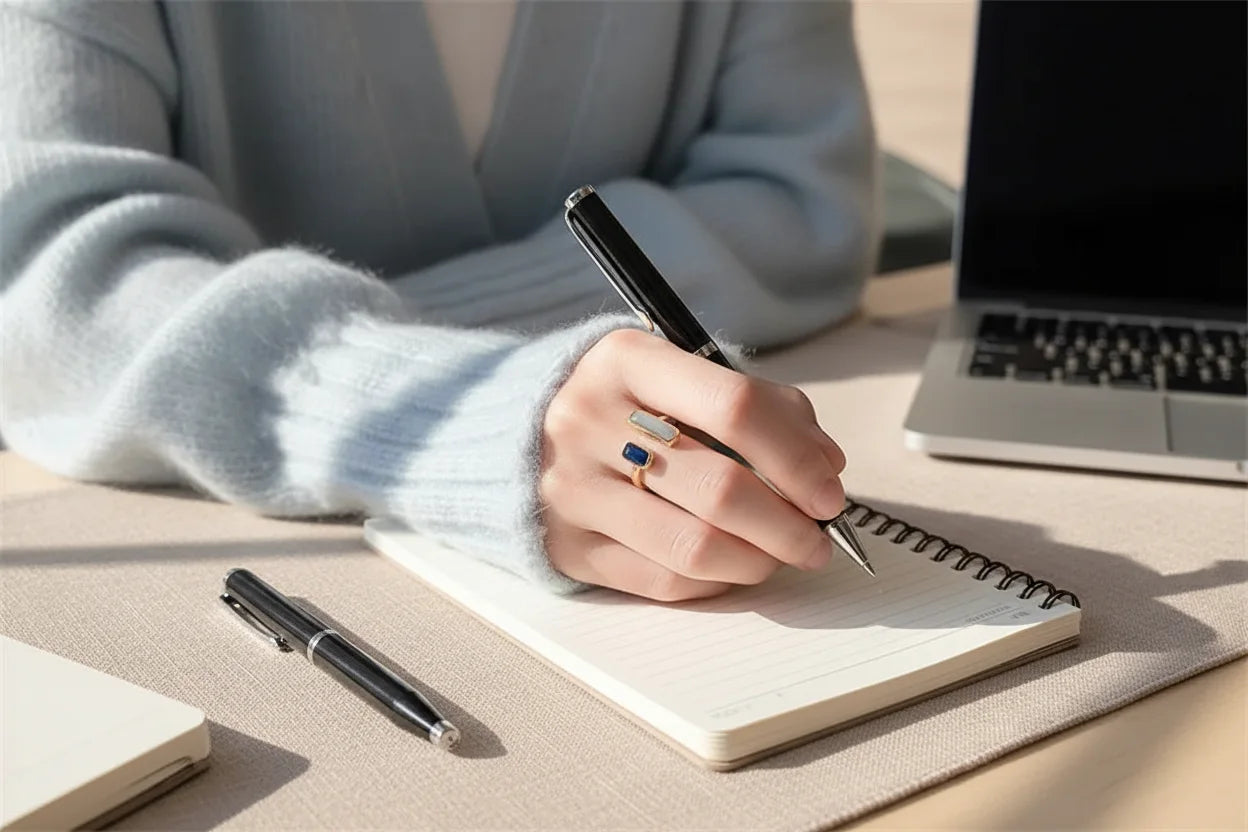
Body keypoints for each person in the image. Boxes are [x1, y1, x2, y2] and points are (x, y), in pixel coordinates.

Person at [0, 1, 879, 600]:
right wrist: (461, 407)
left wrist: (343, 343)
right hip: (222, 563)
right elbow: (52, 288)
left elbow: (800, 205)